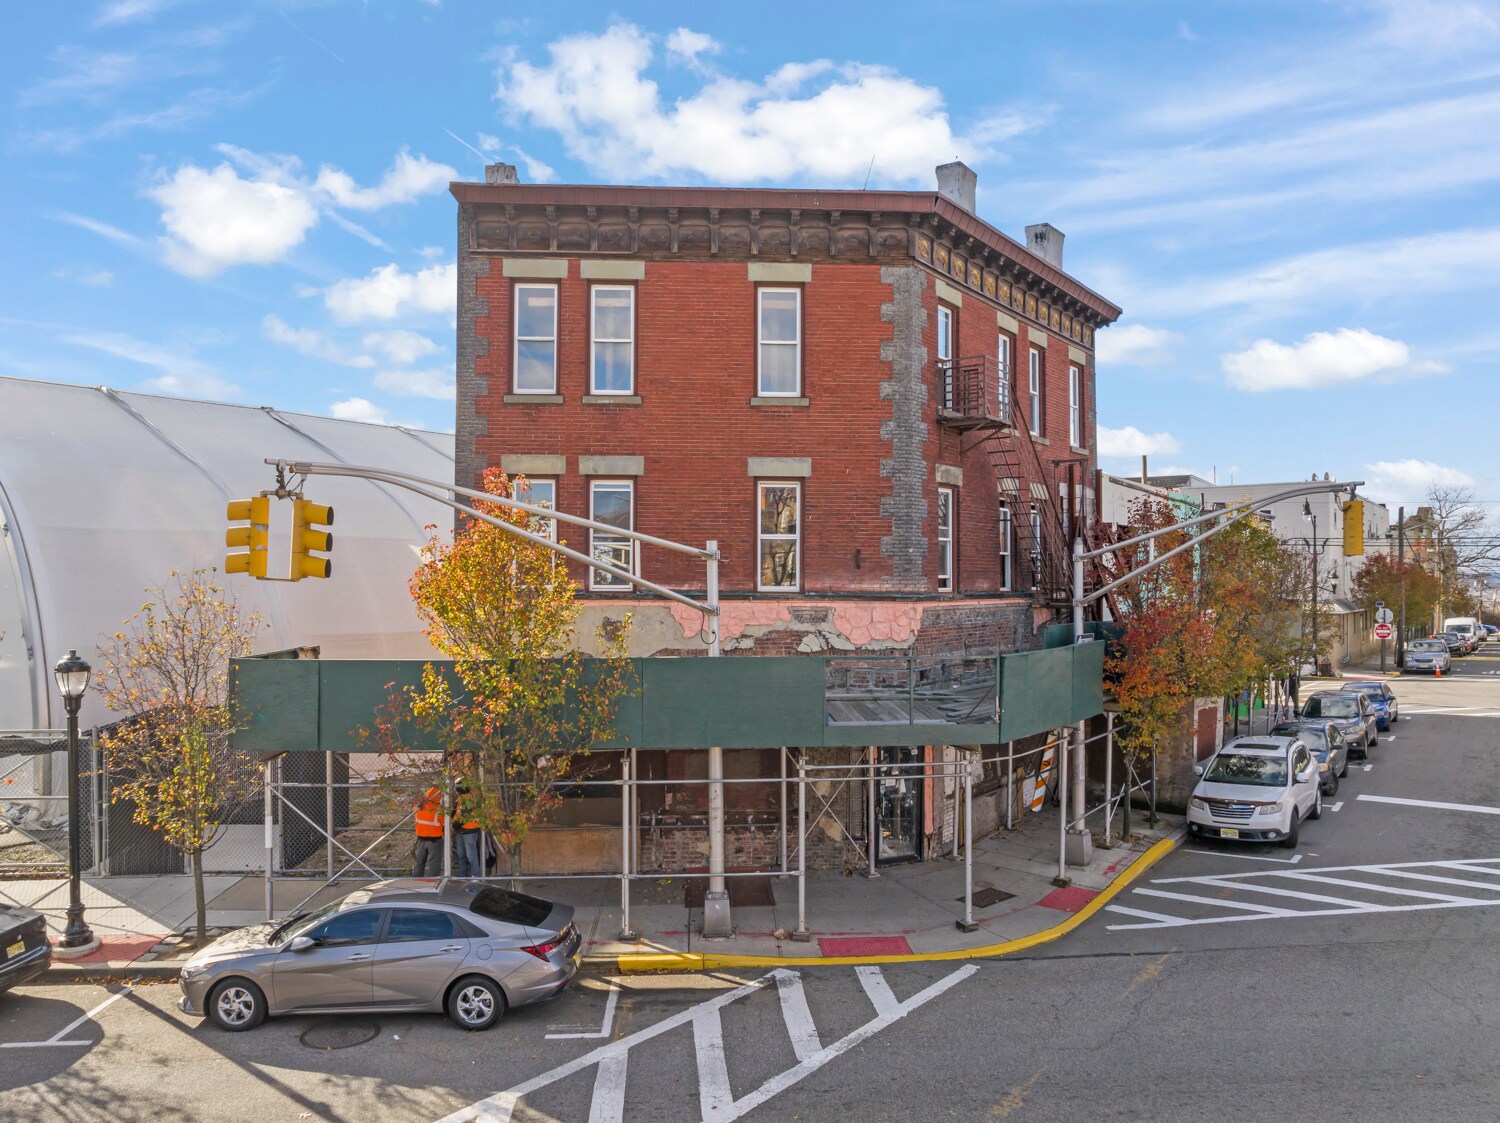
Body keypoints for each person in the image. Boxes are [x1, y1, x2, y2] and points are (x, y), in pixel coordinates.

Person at [413, 785, 445, 877]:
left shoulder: (418, 807)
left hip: (420, 839)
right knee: (433, 864)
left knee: (419, 862)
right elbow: (445, 822)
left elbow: (415, 816)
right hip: (434, 840)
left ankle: (416, 880)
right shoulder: (439, 810)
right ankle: (432, 882)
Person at [452, 780, 482, 878]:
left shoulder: (468, 799)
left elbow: (465, 815)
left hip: (469, 830)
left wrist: (454, 825)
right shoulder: (462, 799)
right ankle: (464, 876)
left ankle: (474, 876)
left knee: (470, 856)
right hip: (463, 830)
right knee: (464, 856)